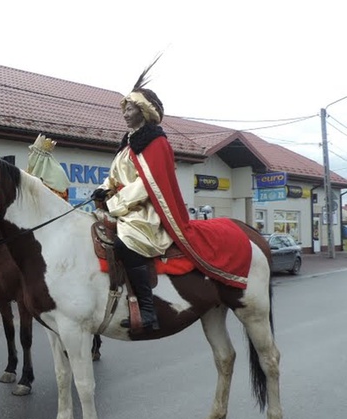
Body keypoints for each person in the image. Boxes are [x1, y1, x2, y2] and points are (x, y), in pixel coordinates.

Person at [92, 60, 251, 332]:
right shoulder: (127, 144)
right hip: (125, 208)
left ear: (143, 112)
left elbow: (147, 185)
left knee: (126, 244)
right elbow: (116, 176)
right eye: (125, 109)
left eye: (130, 109)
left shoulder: (155, 142)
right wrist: (104, 189)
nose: (125, 113)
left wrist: (115, 203)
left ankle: (147, 309)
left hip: (145, 212)